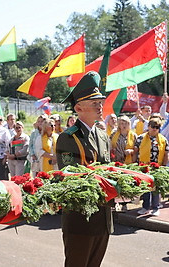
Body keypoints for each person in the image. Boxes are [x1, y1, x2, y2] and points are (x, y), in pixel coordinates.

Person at [56, 71, 112, 267]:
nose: (100, 106)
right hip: (80, 220)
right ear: (79, 107)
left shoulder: (103, 136)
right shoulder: (68, 138)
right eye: (94, 103)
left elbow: (108, 169)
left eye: (100, 101)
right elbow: (71, 179)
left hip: (103, 219)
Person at [133, 117, 169, 216]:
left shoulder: (163, 139)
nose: (154, 129)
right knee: (145, 188)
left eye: (157, 127)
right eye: (152, 126)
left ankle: (155, 207)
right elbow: (135, 152)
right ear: (148, 126)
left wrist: (164, 166)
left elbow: (166, 153)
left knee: (155, 188)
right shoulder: (140, 138)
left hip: (157, 166)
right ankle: (145, 207)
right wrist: (134, 164)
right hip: (143, 166)